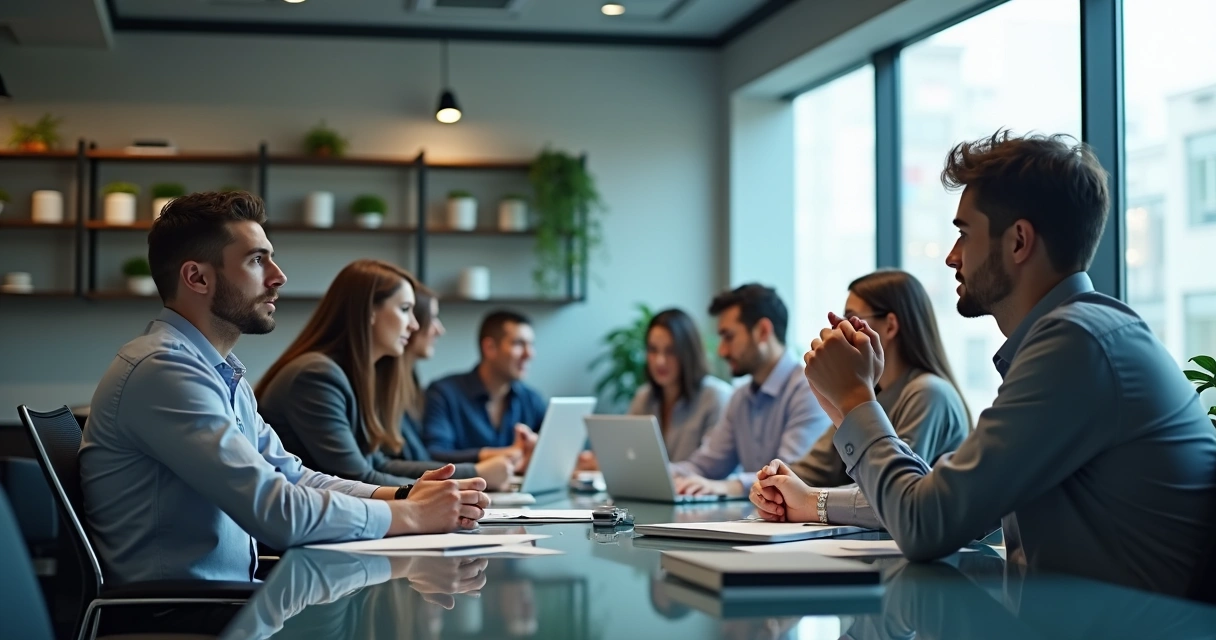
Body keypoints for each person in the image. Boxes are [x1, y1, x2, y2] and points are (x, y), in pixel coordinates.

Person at [763, 131, 1216, 595]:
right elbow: (953, 505)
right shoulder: (1073, 337)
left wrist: (856, 399)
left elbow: (926, 525)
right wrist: (841, 421)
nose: (951, 257)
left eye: (963, 234)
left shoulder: (1077, 343)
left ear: (1018, 241)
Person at [79, 191, 489, 585]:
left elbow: (293, 477)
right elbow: (279, 513)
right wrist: (415, 516)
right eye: (258, 261)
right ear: (197, 277)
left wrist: (404, 495)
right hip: (183, 614)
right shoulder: (164, 371)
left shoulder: (219, 371)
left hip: (229, 602)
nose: (279, 277)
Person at [256, 260, 515, 491]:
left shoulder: (350, 375)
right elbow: (357, 477)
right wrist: (468, 480)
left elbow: (380, 464)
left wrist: (469, 477)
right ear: (369, 311)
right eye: (404, 309)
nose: (414, 325)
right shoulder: (315, 375)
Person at [754, 270, 971, 527]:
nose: (837, 329)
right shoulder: (870, 394)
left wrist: (809, 501)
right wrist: (772, 487)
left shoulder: (928, 392)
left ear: (890, 326)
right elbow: (815, 468)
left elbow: (892, 494)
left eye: (851, 319)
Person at [668, 284, 830, 497]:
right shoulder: (740, 397)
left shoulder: (809, 390)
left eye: (729, 337)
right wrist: (655, 473)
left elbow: (792, 475)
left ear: (763, 331)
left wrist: (730, 486)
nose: (721, 350)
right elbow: (706, 465)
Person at [423, 310, 547, 469]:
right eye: (518, 344)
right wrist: (505, 454)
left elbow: (551, 451)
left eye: (531, 345)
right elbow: (433, 454)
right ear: (490, 348)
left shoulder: (531, 399)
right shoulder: (444, 393)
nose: (529, 354)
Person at [630, 309, 734, 462]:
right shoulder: (644, 397)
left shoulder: (716, 397)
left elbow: (710, 466)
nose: (660, 361)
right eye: (653, 350)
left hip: (696, 485)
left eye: (670, 351)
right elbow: (629, 453)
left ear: (688, 353)